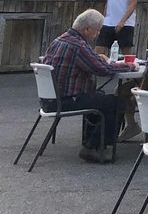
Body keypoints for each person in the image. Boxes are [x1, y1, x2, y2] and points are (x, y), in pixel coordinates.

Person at [42, 9, 128, 162]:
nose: (98, 34)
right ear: (87, 29)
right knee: (116, 102)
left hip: (50, 99)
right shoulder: (78, 45)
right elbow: (102, 69)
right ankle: (93, 147)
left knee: (99, 97)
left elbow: (91, 61)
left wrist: (97, 58)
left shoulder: (60, 40)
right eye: (97, 30)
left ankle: (91, 141)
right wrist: (128, 66)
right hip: (67, 99)